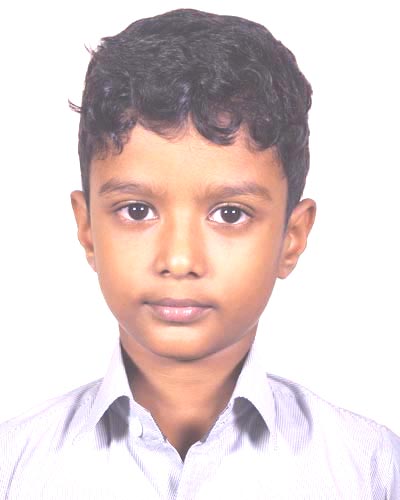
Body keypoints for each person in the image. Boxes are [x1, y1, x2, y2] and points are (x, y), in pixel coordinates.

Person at [0, 8, 399, 499]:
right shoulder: (14, 467)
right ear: (87, 230)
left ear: (292, 238)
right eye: (137, 210)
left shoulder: (372, 470)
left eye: (230, 214)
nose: (180, 259)